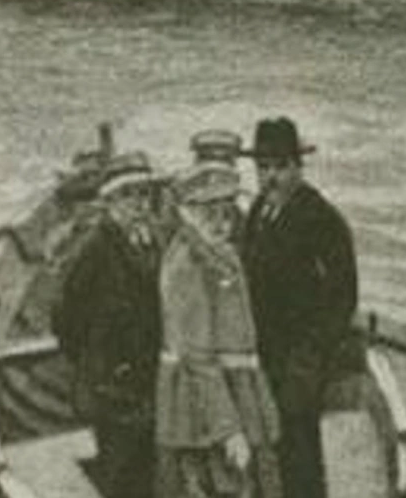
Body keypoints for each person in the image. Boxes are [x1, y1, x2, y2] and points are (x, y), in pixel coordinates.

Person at [239, 118, 357, 498]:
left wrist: (310, 359)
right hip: (263, 359)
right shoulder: (259, 210)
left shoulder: (321, 218)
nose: (270, 177)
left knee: (299, 457)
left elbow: (342, 299)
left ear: (298, 167)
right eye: (263, 168)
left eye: (280, 167)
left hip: (299, 365)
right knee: (267, 454)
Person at [156, 164, 282, 498]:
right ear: (184, 212)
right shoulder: (186, 263)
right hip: (204, 409)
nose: (220, 222)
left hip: (238, 392)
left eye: (226, 212)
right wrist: (229, 430)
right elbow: (196, 358)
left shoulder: (222, 254)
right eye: (207, 213)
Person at [52, 151, 164, 498]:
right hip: (113, 390)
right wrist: (97, 364)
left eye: (144, 193)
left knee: (152, 471)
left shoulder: (153, 241)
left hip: (149, 382)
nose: (139, 203)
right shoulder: (94, 249)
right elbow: (64, 318)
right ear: (110, 201)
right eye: (128, 194)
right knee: (122, 475)